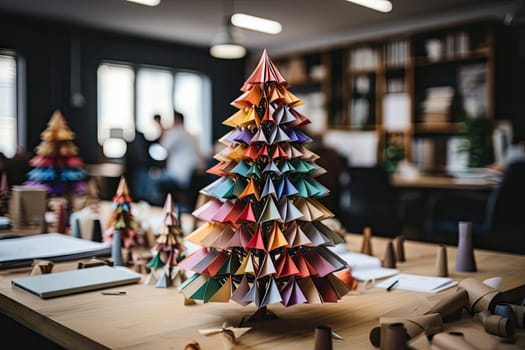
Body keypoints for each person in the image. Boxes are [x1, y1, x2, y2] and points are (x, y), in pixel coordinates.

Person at [153, 110, 204, 205]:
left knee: (154, 180)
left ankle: (163, 208)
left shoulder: (175, 133)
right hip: (194, 175)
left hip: (180, 176)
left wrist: (163, 131)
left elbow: (162, 149)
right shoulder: (191, 135)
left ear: (175, 120)